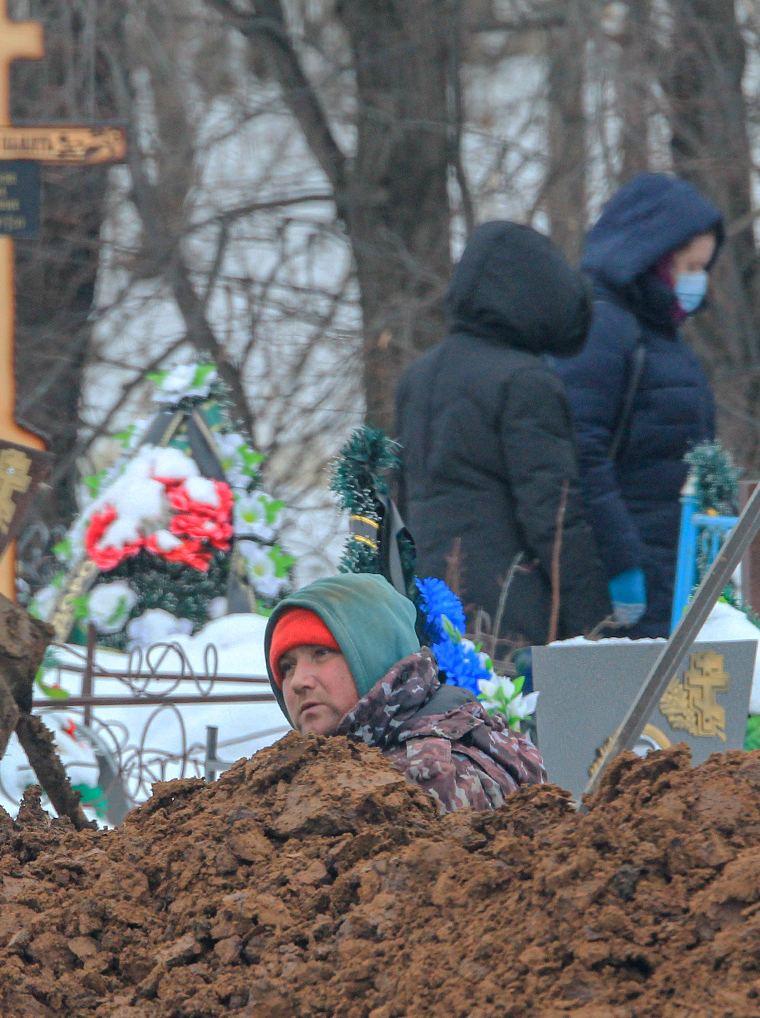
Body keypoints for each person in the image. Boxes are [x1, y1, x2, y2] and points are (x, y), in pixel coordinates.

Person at [395, 220, 608, 649]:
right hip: (510, 617)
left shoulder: (415, 379)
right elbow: (555, 517)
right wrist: (597, 627)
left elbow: (399, 506)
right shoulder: (526, 382)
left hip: (429, 609)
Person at [552, 173, 724, 638]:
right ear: (652, 259)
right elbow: (580, 452)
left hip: (672, 567)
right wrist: (624, 563)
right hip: (628, 576)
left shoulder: (660, 336)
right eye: (689, 267)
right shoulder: (602, 328)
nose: (697, 282)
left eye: (703, 269)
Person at [262, 573, 544, 812]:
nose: (298, 681)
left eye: (321, 653)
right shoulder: (339, 765)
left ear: (374, 653)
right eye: (286, 667)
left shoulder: (425, 774)